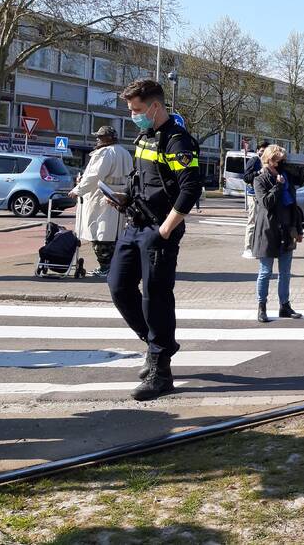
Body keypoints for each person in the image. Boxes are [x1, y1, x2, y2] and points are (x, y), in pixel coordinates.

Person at [105, 79, 202, 401]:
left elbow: (190, 188)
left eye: (137, 110)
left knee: (156, 296)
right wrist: (121, 197)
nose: (134, 116)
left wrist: (166, 229)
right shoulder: (145, 137)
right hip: (134, 224)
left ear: (155, 106)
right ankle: (156, 344)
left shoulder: (177, 141)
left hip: (159, 230)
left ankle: (161, 370)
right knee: (118, 286)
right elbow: (142, 181)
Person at [69, 126, 133, 277]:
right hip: (119, 196)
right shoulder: (124, 152)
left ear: (109, 138)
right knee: (115, 233)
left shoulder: (104, 153)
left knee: (99, 233)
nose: (97, 139)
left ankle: (106, 267)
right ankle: (116, 267)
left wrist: (77, 189)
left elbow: (94, 176)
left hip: (101, 197)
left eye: (100, 136)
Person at [251, 144, 304, 323]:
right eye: (277, 160)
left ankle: (284, 306)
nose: (281, 163)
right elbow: (266, 203)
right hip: (268, 230)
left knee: (285, 272)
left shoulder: (286, 177)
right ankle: (262, 307)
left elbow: (293, 206)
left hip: (286, 229)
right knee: (265, 272)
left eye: (282, 160)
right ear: (269, 160)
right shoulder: (260, 180)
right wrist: (278, 186)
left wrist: (298, 229)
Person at [242, 140, 270, 259]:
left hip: (263, 195)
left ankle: (257, 247)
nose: (263, 153)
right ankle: (247, 248)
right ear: (258, 150)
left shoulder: (267, 162)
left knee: (261, 222)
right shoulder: (254, 160)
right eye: (261, 151)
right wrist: (259, 172)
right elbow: (246, 177)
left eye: (265, 151)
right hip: (253, 195)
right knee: (252, 221)